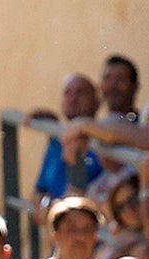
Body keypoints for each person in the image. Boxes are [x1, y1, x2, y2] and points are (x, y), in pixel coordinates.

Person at [33, 73, 105, 216]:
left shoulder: (103, 144)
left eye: (81, 92)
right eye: (68, 93)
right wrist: (46, 205)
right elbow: (38, 192)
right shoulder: (55, 143)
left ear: (97, 102)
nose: (73, 98)